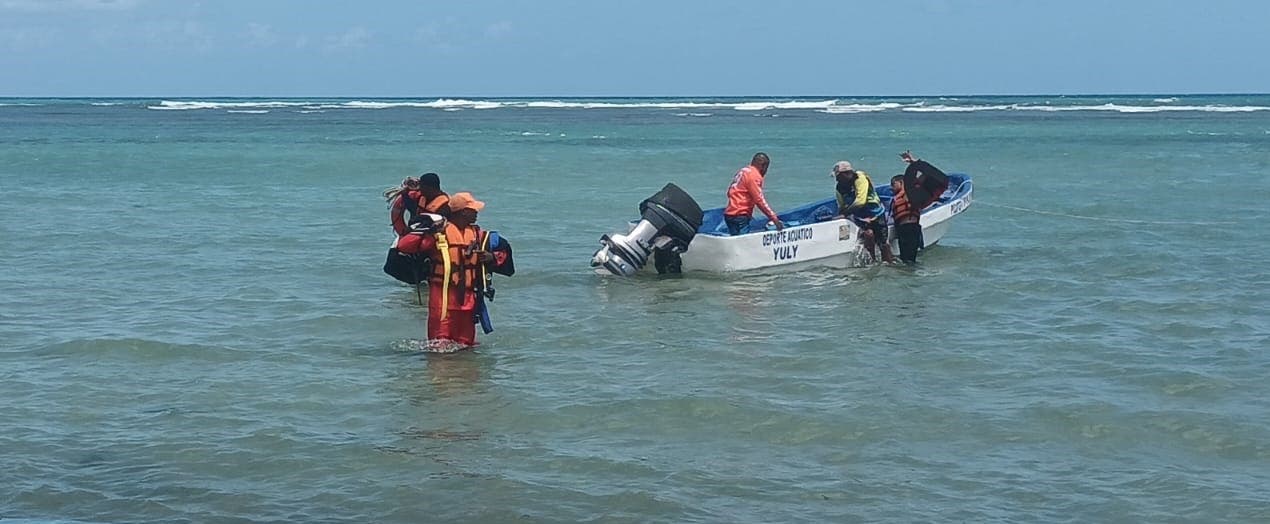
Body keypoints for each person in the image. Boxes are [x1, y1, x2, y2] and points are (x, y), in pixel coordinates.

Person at [405, 192, 511, 347]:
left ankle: (462, 369)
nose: (476, 213)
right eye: (472, 209)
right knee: (439, 345)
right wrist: (426, 229)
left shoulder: (477, 234)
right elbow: (405, 246)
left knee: (466, 345)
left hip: (468, 300)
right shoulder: (439, 233)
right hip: (442, 299)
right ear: (462, 212)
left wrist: (491, 257)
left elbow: (504, 255)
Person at [890, 151, 951, 264]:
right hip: (903, 230)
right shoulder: (897, 197)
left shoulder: (913, 191)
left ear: (901, 182)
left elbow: (931, 174)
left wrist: (915, 162)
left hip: (911, 227)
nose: (891, 187)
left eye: (893, 184)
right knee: (905, 261)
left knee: (909, 261)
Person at [832, 160, 895, 263]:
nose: (836, 179)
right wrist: (840, 215)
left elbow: (861, 201)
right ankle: (873, 261)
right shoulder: (839, 188)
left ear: (846, 174)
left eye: (838, 176)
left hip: (876, 213)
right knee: (868, 235)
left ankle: (889, 264)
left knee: (883, 242)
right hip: (860, 217)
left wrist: (845, 213)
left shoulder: (859, 178)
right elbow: (842, 205)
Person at [723, 152, 784, 235]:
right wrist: (774, 219)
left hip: (729, 214)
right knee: (743, 241)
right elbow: (759, 200)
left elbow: (729, 192)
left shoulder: (742, 171)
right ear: (763, 166)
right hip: (741, 215)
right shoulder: (754, 176)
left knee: (734, 238)